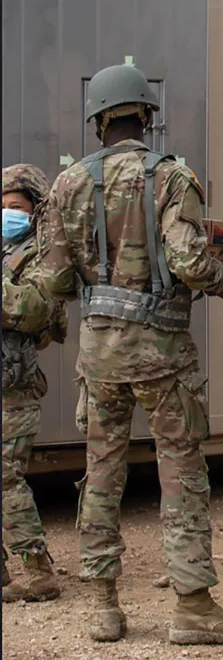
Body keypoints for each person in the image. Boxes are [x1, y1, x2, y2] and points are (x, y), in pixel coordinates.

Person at [34, 62, 223, 645]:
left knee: (101, 475)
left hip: (99, 359)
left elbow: (55, 280)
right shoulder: (172, 178)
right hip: (162, 356)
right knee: (180, 472)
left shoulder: (68, 185)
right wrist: (221, 274)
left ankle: (104, 607)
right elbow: (188, 262)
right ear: (146, 116)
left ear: (98, 120)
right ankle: (193, 606)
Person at [2, 163, 67, 603]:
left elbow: (36, 309)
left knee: (5, 478)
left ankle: (36, 568)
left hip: (15, 389)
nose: (7, 214)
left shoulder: (45, 254)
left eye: (15, 207)